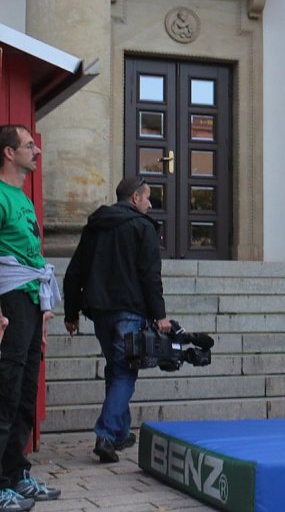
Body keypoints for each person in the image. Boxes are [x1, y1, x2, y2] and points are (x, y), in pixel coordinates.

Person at [63, 176, 172, 464]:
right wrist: (160, 315)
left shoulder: (96, 225)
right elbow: (150, 276)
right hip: (129, 311)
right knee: (125, 372)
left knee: (116, 368)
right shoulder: (142, 227)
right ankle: (107, 435)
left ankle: (121, 433)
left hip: (100, 311)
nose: (150, 204)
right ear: (135, 198)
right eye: (147, 197)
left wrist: (71, 313)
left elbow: (75, 271)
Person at [0, 124, 62, 511]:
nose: (36, 151)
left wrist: (44, 308)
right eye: (28, 145)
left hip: (30, 302)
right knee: (5, 392)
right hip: (9, 302)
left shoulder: (22, 198)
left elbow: (31, 255)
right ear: (9, 152)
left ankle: (16, 474)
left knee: (24, 392)